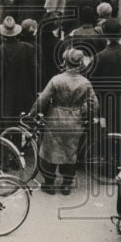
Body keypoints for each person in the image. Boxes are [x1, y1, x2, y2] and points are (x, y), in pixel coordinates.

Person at [30, 47, 99, 195]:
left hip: (55, 118)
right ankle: (66, 185)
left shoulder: (56, 79)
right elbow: (95, 104)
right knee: (70, 152)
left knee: (50, 152)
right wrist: (86, 114)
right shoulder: (85, 82)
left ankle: (49, 184)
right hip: (75, 120)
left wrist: (33, 113)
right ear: (80, 63)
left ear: (65, 61)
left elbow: (43, 98)